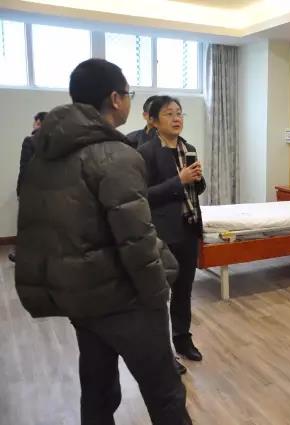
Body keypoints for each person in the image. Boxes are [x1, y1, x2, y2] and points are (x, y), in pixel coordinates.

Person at [14, 58, 192, 425]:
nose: (128, 101)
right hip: (123, 299)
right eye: (128, 94)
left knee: (97, 392)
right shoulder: (116, 155)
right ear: (115, 98)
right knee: (166, 395)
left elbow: (40, 229)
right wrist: (158, 294)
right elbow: (137, 239)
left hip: (79, 297)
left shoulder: (45, 153)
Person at [138, 96, 206, 367]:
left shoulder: (189, 148)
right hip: (162, 234)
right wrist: (179, 180)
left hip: (188, 228)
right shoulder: (146, 152)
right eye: (169, 114)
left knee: (184, 290)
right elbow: (143, 195)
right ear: (154, 121)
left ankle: (183, 339)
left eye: (179, 113)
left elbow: (196, 190)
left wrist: (197, 179)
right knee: (159, 295)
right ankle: (163, 352)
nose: (177, 118)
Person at [9, 111, 47, 263]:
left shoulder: (30, 141)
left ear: (38, 122)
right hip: (52, 191)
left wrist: (20, 191)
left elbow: (24, 169)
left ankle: (23, 256)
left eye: (34, 122)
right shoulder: (56, 143)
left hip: (31, 190)